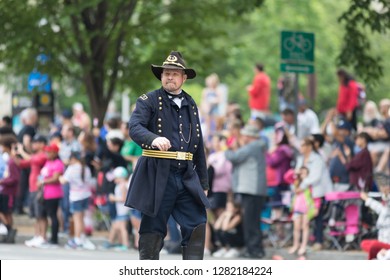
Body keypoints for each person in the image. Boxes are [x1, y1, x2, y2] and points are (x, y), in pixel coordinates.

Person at [125, 51, 210, 260]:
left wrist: (204, 183)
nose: (169, 77)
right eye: (166, 73)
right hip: (159, 174)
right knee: (153, 229)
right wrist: (153, 138)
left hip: (186, 175)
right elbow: (134, 127)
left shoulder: (191, 103)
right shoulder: (149, 100)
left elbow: (198, 145)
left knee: (197, 224)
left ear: (184, 78)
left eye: (174, 73)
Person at [225, 124, 268, 259]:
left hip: (252, 190)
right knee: (251, 221)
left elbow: (235, 157)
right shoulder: (255, 146)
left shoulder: (253, 146)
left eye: (244, 135)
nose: (242, 137)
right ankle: (252, 249)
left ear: (250, 136)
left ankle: (255, 250)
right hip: (250, 190)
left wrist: (226, 149)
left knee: (251, 222)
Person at [60, 151, 95, 250]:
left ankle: (77, 239)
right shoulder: (86, 168)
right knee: (82, 218)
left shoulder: (72, 168)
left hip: (76, 196)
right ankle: (82, 237)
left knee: (77, 219)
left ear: (74, 159)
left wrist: (59, 177)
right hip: (86, 195)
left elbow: (64, 180)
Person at [360, 173, 390, 259]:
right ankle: (380, 251)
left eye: (384, 185)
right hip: (383, 243)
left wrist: (386, 194)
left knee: (374, 246)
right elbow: (380, 208)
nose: (382, 188)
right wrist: (367, 199)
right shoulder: (385, 208)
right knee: (364, 243)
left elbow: (387, 199)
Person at [288, 166, 316, 258]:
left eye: (304, 173)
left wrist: (316, 208)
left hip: (306, 210)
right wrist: (294, 172)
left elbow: (315, 196)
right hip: (297, 209)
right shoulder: (296, 183)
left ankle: (303, 246)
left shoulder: (309, 185)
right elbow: (287, 177)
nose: (302, 174)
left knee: (305, 227)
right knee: (296, 227)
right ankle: (296, 245)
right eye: (301, 173)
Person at [102, 166, 131, 251]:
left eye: (116, 178)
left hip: (123, 210)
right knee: (117, 227)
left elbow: (124, 198)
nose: (114, 180)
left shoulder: (122, 186)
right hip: (120, 210)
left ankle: (125, 245)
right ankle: (121, 243)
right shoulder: (120, 185)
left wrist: (113, 198)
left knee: (122, 228)